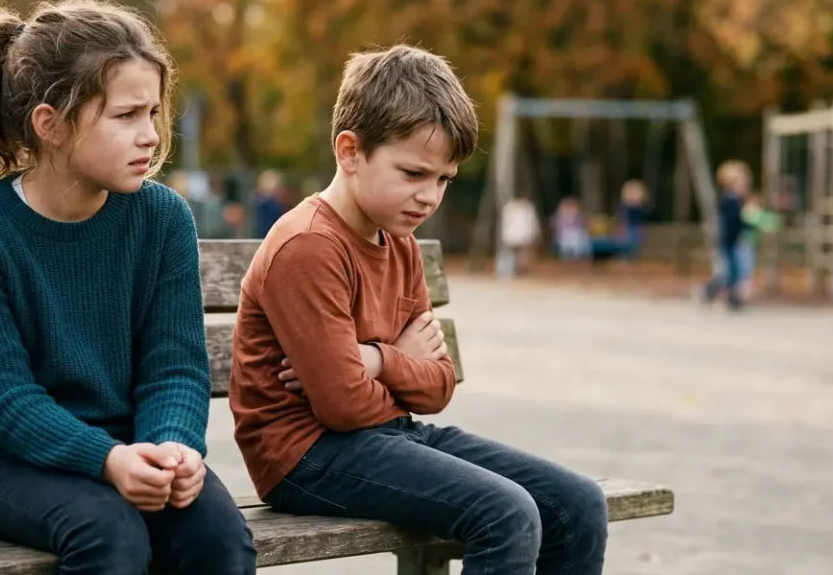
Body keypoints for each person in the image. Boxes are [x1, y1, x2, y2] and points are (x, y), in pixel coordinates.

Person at [228, 45, 609, 574]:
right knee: (505, 513)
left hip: (386, 436)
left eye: (444, 180)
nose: (429, 197)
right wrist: (397, 365)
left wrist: (379, 362)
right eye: (413, 173)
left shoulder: (400, 240)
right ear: (349, 151)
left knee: (578, 504)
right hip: (305, 456)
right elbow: (341, 405)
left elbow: (439, 386)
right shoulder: (308, 245)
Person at [0, 0, 256, 575]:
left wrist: (174, 448)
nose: (149, 134)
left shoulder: (162, 219)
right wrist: (107, 460)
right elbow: (5, 399)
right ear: (50, 125)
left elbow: (174, 365)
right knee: (112, 536)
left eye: (152, 113)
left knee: (220, 541)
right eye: (126, 116)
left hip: (138, 444)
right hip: (10, 462)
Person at [697, 160, 751, 310]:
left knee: (734, 271)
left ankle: (730, 298)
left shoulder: (735, 201)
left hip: (733, 241)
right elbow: (733, 223)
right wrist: (745, 226)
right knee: (729, 272)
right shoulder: (729, 201)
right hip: (729, 241)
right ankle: (710, 292)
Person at [737, 192, 780, 300]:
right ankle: (742, 289)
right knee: (746, 265)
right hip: (744, 243)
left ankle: (743, 289)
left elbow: (770, 221)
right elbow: (765, 222)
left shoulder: (751, 212)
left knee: (748, 265)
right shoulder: (749, 212)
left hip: (748, 243)